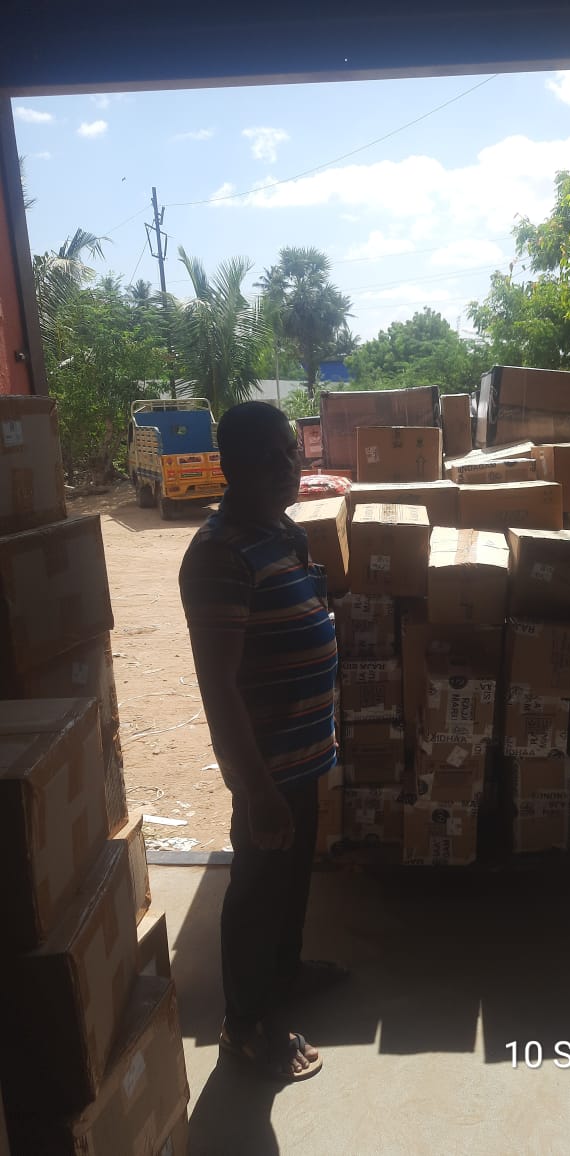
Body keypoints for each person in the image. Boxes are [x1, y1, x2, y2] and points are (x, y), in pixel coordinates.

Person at [179, 401, 340, 1081]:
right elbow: (218, 687)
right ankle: (245, 1026)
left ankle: (284, 972)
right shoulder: (220, 555)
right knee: (257, 889)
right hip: (266, 766)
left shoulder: (282, 532)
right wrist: (256, 788)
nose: (283, 468)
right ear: (229, 465)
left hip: (303, 755)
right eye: (264, 457)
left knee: (291, 877)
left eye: (289, 452)